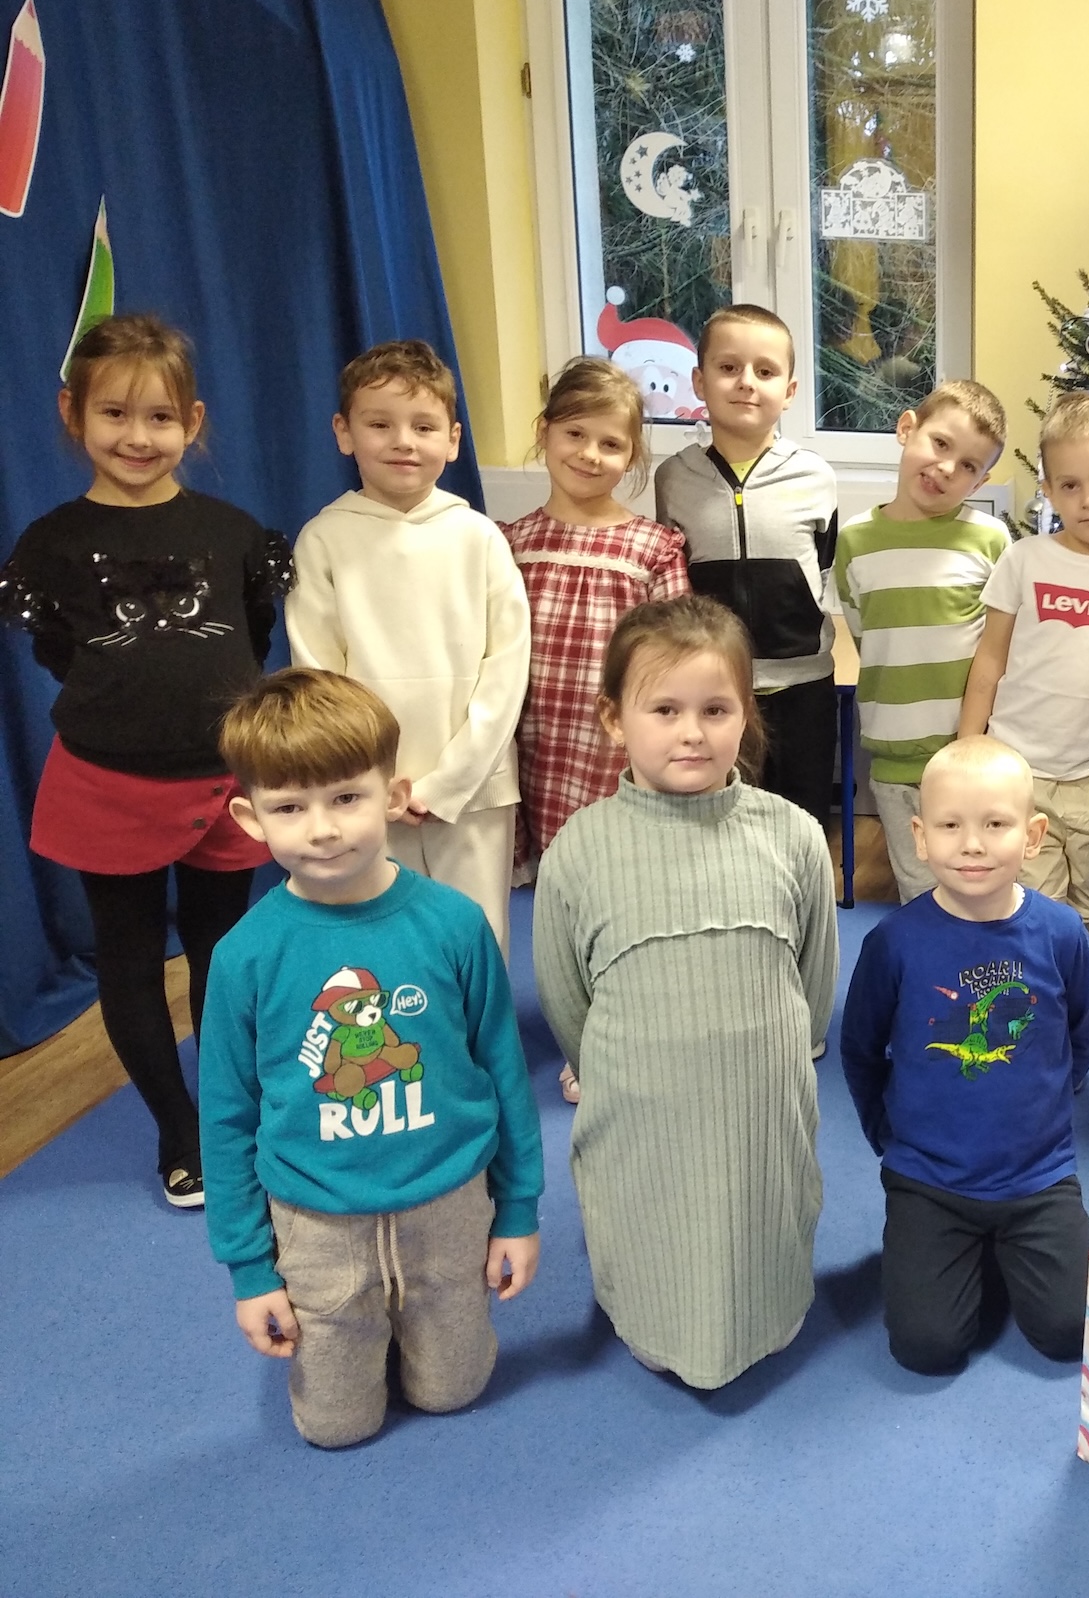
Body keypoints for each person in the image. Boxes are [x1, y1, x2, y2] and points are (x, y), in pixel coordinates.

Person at [199, 669, 543, 1448]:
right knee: (333, 1427)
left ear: (394, 795)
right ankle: (358, 1336)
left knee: (454, 1392)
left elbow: (502, 1071)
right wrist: (251, 1270)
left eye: (347, 797)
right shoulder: (245, 956)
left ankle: (423, 1327)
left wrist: (518, 1211)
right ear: (251, 818)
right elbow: (226, 1117)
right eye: (291, 807)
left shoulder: (454, 924)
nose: (322, 828)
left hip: (447, 1205)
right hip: (318, 1223)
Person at [0, 315, 291, 1208]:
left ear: (192, 422)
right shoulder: (51, 543)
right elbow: (56, 648)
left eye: (161, 417)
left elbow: (252, 636)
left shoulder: (232, 532)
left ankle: (231, 1114)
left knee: (220, 954)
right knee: (127, 960)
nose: (138, 436)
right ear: (73, 413)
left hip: (224, 779)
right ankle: (178, 1127)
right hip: (108, 782)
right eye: (115, 414)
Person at [533, 597, 838, 1388]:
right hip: (641, 1109)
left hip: (760, 1106)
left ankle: (766, 1308)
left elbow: (812, 980)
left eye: (715, 709)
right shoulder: (579, 850)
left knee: (758, 1207)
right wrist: (614, 1072)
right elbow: (566, 1000)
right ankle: (652, 1314)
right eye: (664, 709)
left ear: (747, 714)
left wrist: (775, 1054)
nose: (691, 732)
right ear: (614, 718)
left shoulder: (793, 836)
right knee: (655, 1216)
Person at [839, 735, 1089, 1374]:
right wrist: (888, 1134)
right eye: (951, 825)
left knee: (1071, 1331)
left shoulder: (1061, 932)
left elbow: (1084, 1031)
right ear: (920, 836)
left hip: (1038, 1178)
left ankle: (1005, 1249)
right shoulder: (894, 942)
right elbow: (861, 1049)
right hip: (929, 1179)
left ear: (1033, 835)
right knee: (926, 1348)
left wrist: (1045, 1104)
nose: (973, 845)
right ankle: (956, 1251)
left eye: (995, 825)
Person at [288, 340, 530, 952]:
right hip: (367, 791)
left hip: (473, 789)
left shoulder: (479, 537)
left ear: (452, 440)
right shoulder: (323, 540)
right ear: (344, 432)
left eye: (423, 427)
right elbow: (318, 681)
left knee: (475, 936)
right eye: (380, 424)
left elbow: (506, 670)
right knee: (383, 942)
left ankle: (477, 1024)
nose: (403, 442)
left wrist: (449, 782)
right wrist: (370, 781)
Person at [503, 360, 689, 1102]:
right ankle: (579, 1027)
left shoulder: (653, 547)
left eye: (611, 444)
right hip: (536, 749)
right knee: (562, 901)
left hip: (617, 756)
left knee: (628, 893)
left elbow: (675, 658)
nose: (590, 454)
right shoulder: (507, 542)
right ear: (545, 433)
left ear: (632, 455)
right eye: (575, 434)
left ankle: (628, 1019)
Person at [959, 391, 1089, 942]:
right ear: (1047, 490)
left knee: (1087, 912)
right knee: (1035, 906)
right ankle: (1036, 987)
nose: (1088, 500)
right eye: (1069, 485)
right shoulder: (1024, 559)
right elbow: (990, 659)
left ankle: (1076, 979)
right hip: (1018, 768)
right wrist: (968, 749)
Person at [654, 304, 841, 816]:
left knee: (801, 821)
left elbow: (824, 568)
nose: (746, 383)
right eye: (728, 367)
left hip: (804, 689)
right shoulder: (673, 478)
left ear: (790, 390)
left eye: (765, 371)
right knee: (717, 821)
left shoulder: (814, 477)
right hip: (711, 689)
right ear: (699, 381)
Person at [833, 380, 1009, 901]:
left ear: (981, 481)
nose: (948, 468)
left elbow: (1001, 647)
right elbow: (865, 632)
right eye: (940, 443)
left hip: (969, 752)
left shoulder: (990, 539)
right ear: (907, 428)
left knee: (979, 885)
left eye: (969, 465)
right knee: (918, 891)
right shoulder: (855, 540)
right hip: (892, 757)